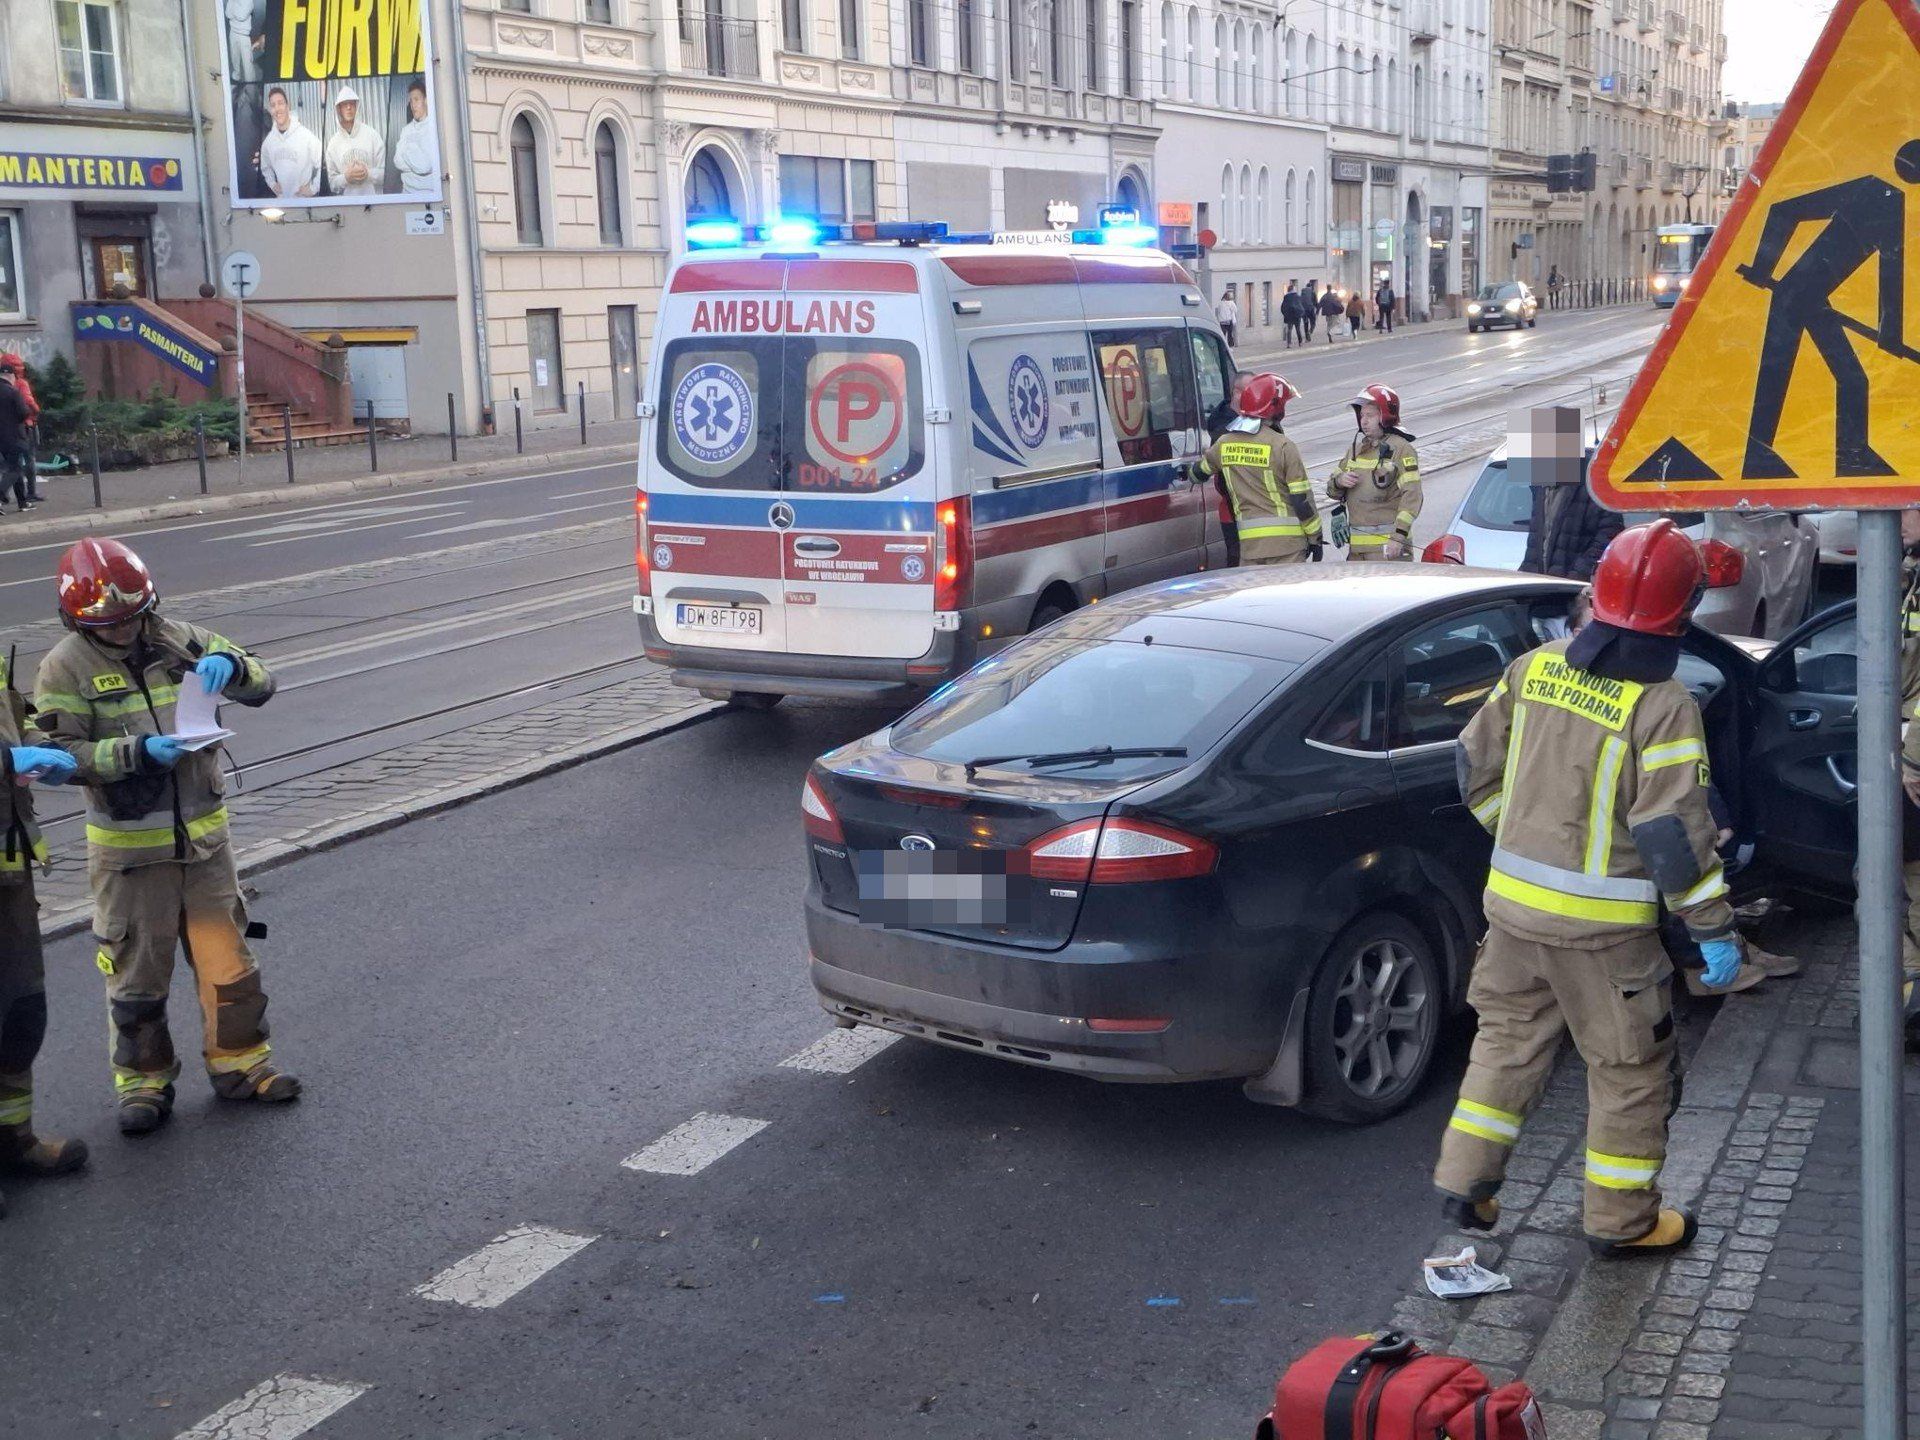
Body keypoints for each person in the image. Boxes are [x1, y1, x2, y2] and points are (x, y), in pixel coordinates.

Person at [1436, 519, 1732, 1258]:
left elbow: (1473, 766)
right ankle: (1621, 1223)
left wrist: (1518, 841)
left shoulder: (1534, 668)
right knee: (1630, 1072)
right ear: (1682, 612)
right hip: (1605, 939)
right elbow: (1671, 835)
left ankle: (1466, 1184)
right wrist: (1713, 929)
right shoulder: (1663, 704)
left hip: (1512, 914)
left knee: (1506, 1045)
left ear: (1596, 593)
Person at [35, 539, 298, 1135]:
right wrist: (137, 752)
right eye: (110, 624)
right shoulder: (63, 667)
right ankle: (144, 1085)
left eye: (133, 617)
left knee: (229, 966)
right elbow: (59, 756)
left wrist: (235, 668)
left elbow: (262, 682)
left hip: (205, 848)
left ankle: (242, 1067)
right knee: (137, 978)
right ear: (77, 621)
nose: (124, 629)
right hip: (130, 857)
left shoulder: (182, 638)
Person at [0, 651, 85, 1219]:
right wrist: (8, 758)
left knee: (20, 1012)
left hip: (8, 866)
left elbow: (13, 714)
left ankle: (12, 1138)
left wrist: (39, 745)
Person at [1191, 374, 1320, 565]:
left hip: (1250, 546)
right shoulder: (1283, 446)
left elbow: (1197, 474)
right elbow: (1301, 499)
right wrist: (1315, 536)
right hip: (1288, 546)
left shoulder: (1224, 444)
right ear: (1276, 407)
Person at [1326, 384, 1421, 560]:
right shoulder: (1355, 450)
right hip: (1357, 551)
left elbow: (1412, 497)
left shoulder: (1401, 449)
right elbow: (1332, 491)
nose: (1364, 421)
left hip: (1388, 550)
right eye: (1362, 415)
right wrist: (1339, 481)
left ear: (1385, 416)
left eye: (1370, 415)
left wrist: (1398, 537)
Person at [1206, 371, 1254, 567]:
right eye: (1252, 392)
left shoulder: (1254, 419)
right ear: (1237, 393)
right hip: (1233, 508)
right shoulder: (1223, 427)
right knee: (1238, 562)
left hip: (1254, 509)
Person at [257, 87, 322, 200]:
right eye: (273, 105)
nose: (277, 109)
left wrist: (313, 188)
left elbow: (322, 161)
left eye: (280, 103)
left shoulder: (306, 136)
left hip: (303, 203)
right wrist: (272, 184)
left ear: (288, 106)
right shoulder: (268, 142)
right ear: (271, 110)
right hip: (281, 204)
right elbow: (265, 168)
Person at [325, 85, 385, 198]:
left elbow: (386, 174)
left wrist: (368, 174)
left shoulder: (372, 135)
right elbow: (331, 183)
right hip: (347, 205)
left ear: (357, 106)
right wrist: (346, 178)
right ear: (339, 109)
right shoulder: (333, 144)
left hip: (372, 202)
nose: (348, 107)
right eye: (344, 104)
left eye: (352, 103)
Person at [0, 355, 43, 502]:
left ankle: (16, 498)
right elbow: (28, 403)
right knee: (28, 460)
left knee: (11, 465)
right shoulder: (20, 384)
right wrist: (35, 411)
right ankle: (30, 493)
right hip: (23, 427)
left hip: (5, 431)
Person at [393, 80, 439, 196]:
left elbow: (424, 166)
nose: (413, 105)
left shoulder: (434, 128)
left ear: (426, 100)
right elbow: (397, 161)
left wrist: (406, 148)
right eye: (411, 101)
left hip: (428, 195)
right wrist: (416, 155)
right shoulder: (406, 130)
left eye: (416, 99)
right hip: (406, 194)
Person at [0, 370, 31, 514]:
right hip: (14, 436)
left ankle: (22, 502)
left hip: (1, 439)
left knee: (14, 466)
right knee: (15, 470)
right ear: (11, 376)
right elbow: (24, 412)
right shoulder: (13, 392)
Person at [224, 0, 262, 85]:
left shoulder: (249, 2)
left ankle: (250, 82)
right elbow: (227, 14)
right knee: (234, 58)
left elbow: (241, 16)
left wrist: (233, 7)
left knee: (247, 62)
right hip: (233, 32)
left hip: (244, 35)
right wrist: (236, 8)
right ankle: (236, 78)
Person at [1281, 282, 1303, 348]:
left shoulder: (1286, 297)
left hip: (1289, 315)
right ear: (1293, 289)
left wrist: (1285, 314)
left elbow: (1283, 306)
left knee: (1289, 329)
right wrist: (1301, 313)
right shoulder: (1298, 296)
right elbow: (1300, 305)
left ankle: (1289, 343)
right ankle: (1300, 342)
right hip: (1297, 315)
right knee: (1298, 329)